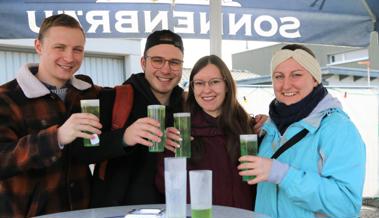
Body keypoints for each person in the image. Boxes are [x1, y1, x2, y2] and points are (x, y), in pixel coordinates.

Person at [0, 14, 127, 217]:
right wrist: (56, 137)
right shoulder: (6, 98)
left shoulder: (90, 94)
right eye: (59, 47)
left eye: (78, 49)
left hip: (82, 211)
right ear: (39, 46)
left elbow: (129, 93)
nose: (69, 58)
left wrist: (188, 97)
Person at [238, 44, 366, 217]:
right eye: (278, 76)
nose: (286, 85)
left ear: (315, 79)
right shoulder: (269, 129)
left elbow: (347, 205)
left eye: (296, 75)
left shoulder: (338, 129)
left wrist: (283, 175)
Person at [156, 55, 266, 210]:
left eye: (214, 82)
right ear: (193, 89)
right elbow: (165, 186)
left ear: (227, 85)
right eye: (199, 83)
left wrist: (270, 127)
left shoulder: (250, 128)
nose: (207, 90)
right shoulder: (180, 133)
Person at [91, 29, 186, 207]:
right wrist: (124, 138)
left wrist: (254, 125)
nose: (166, 69)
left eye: (174, 62)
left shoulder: (189, 104)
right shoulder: (114, 98)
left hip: (176, 208)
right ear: (143, 62)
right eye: (157, 60)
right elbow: (84, 149)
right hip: (119, 210)